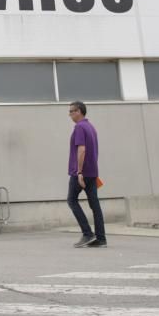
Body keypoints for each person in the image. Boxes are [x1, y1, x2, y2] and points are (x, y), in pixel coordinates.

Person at [66, 100, 106, 247]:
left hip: (81, 172)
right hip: (93, 172)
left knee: (72, 200)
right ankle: (101, 239)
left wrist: (80, 172)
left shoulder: (79, 128)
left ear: (79, 111)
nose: (69, 114)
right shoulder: (91, 127)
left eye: (71, 111)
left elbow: (81, 149)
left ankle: (87, 234)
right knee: (94, 205)